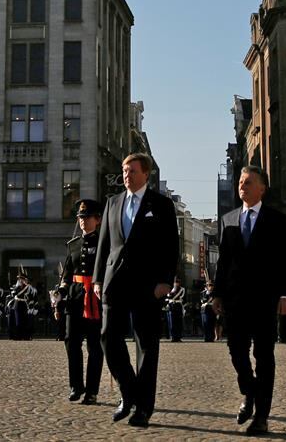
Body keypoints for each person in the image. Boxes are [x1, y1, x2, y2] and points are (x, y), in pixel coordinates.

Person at [93, 153, 179, 428]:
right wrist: (97, 279)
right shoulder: (113, 202)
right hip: (114, 281)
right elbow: (104, 244)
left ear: (146, 174)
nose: (126, 175)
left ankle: (143, 407)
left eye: (131, 171)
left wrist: (165, 280)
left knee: (146, 345)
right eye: (124, 170)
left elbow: (170, 247)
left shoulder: (162, 205)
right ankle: (128, 392)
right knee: (108, 337)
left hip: (147, 284)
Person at [213, 165, 286, 436]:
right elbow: (223, 261)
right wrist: (217, 294)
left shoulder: (276, 220)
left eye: (248, 182)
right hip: (235, 300)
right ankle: (249, 391)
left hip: (264, 299)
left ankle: (261, 416)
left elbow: (285, 259)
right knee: (236, 351)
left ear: (262, 188)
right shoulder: (229, 219)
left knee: (264, 355)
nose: (242, 187)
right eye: (240, 182)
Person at [60, 199, 105, 406]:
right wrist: (61, 292)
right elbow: (67, 274)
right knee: (71, 341)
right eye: (80, 217)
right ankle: (76, 386)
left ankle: (92, 391)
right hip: (75, 296)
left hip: (96, 296)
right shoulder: (73, 244)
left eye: (86, 217)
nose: (82, 221)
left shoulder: (105, 243)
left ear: (98, 219)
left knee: (94, 346)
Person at [165, 277, 186, 343]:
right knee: (172, 323)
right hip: (171, 307)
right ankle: (173, 337)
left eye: (177, 282)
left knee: (179, 323)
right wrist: (172, 292)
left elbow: (182, 297)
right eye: (175, 282)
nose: (176, 283)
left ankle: (178, 337)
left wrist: (172, 295)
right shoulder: (170, 289)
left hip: (178, 306)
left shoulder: (182, 289)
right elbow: (167, 297)